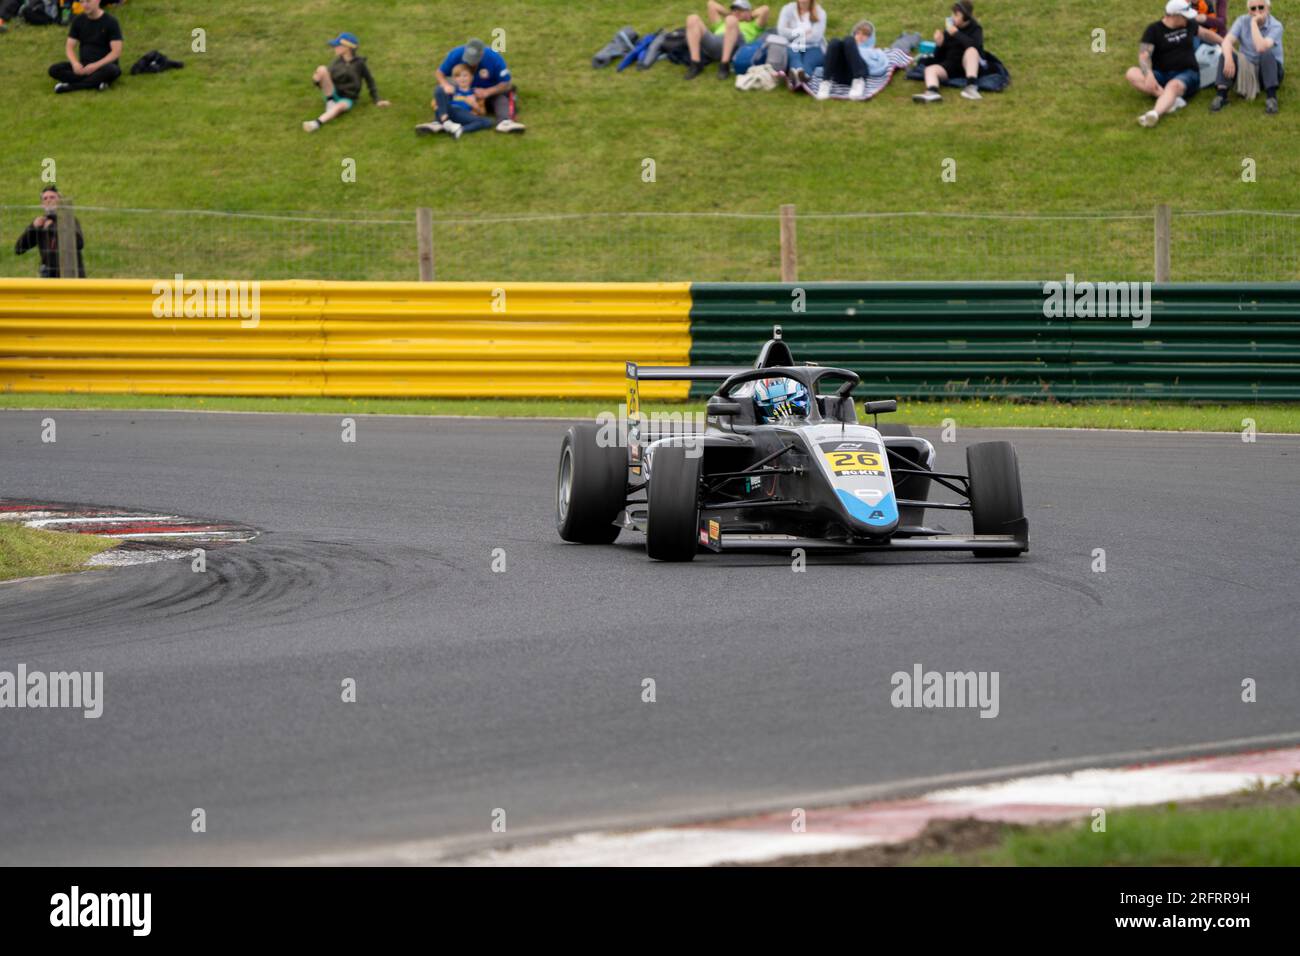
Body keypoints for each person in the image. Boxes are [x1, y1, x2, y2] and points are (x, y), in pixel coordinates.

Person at [1127, 1, 1225, 127]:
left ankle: (1154, 114)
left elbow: (1206, 34)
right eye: (1185, 16)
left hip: (1187, 73)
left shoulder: (1189, 24)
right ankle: (1171, 100)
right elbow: (1144, 54)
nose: (1188, 19)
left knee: (1173, 86)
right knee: (1132, 73)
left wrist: (1225, 44)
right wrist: (1148, 74)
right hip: (1161, 74)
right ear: (1174, 15)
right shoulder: (1153, 30)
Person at [419, 38, 525, 134]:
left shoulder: (494, 58)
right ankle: (438, 122)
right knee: (441, 89)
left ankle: (504, 122)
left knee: (503, 96)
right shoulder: (456, 53)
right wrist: (446, 85)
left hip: (487, 94)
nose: (470, 64)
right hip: (461, 91)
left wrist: (487, 92)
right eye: (468, 60)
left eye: (474, 60)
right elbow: (439, 73)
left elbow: (506, 83)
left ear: (482, 54)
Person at [303, 32, 390, 132]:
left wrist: (377, 100)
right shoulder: (336, 62)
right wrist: (316, 80)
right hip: (332, 93)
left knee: (340, 106)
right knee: (322, 68)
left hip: (347, 98)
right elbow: (325, 80)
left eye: (337, 46)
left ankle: (316, 123)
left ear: (347, 48)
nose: (334, 48)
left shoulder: (360, 64)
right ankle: (330, 102)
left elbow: (370, 81)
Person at [1210, 0, 1284, 114]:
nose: (1257, 11)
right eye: (1253, 8)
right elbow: (1226, 41)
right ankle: (1221, 96)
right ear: (1249, 11)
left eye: (1261, 7)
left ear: (1268, 9)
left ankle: (1271, 98)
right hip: (1248, 67)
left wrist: (1254, 23)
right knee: (1225, 54)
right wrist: (1229, 58)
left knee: (1266, 53)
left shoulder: (1276, 25)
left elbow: (1261, 47)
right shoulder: (1242, 20)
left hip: (1270, 70)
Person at [913, 1, 987, 103]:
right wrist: (940, 44)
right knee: (930, 69)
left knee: (972, 51)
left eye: (956, 15)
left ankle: (971, 87)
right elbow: (939, 57)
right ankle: (932, 92)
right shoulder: (949, 29)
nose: (952, 17)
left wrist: (956, 33)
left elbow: (975, 46)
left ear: (966, 17)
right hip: (951, 65)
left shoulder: (975, 29)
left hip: (968, 64)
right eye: (952, 14)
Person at [683, 0, 771, 80]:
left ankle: (724, 65)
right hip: (715, 43)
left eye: (740, 10)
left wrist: (749, 16)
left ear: (748, 11)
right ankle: (695, 64)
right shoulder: (723, 23)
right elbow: (711, 4)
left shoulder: (754, 25)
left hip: (737, 46)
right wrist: (730, 14)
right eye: (734, 10)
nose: (736, 12)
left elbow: (765, 9)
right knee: (692, 18)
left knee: (731, 20)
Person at [47, 0, 120, 93]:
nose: (85, 5)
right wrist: (75, 64)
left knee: (113, 70)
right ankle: (96, 83)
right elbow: (69, 47)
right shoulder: (78, 21)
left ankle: (71, 87)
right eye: (82, 2)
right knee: (54, 69)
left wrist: (95, 66)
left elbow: (116, 52)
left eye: (88, 1)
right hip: (84, 65)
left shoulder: (111, 22)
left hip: (103, 66)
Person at [14, 186, 85, 278]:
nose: (48, 200)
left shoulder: (69, 220)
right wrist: (32, 227)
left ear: (60, 201)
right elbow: (19, 249)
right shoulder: (40, 224)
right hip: (48, 278)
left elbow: (79, 243)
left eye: (52, 197)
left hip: (71, 276)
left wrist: (51, 227)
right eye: (45, 198)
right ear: (42, 204)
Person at [817, 20, 891, 99]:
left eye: (865, 34)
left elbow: (881, 65)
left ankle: (858, 81)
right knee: (835, 41)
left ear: (871, 38)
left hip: (857, 72)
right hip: (839, 75)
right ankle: (825, 82)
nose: (860, 36)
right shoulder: (848, 46)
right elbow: (828, 62)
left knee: (848, 39)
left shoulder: (874, 52)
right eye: (857, 33)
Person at [776, 0, 828, 87]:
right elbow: (781, 31)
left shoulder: (820, 13)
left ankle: (803, 76)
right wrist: (803, 32)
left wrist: (792, 33)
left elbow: (815, 37)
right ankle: (798, 74)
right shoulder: (787, 9)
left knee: (808, 62)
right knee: (795, 58)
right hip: (792, 45)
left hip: (814, 47)